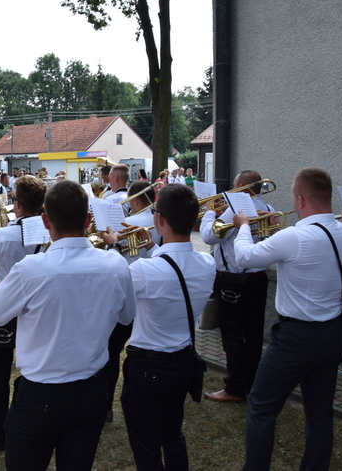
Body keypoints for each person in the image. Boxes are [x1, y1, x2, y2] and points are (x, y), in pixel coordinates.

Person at [0, 180, 135, 471]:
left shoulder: (30, 269)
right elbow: (126, 317)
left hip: (40, 395)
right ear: (88, 220)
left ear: (45, 220)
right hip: (91, 391)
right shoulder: (116, 265)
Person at [233, 167, 342, 470]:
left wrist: (244, 226)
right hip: (333, 334)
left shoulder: (294, 236)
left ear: (300, 200)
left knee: (261, 407)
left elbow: (244, 257)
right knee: (320, 414)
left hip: (295, 339)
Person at [102, 184, 215, 470]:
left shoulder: (144, 270)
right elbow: (172, 268)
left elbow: (115, 296)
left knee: (146, 446)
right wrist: (152, 246)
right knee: (172, 434)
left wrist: (114, 246)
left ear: (159, 219)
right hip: (184, 363)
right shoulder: (207, 262)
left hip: (148, 368)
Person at [0, 175, 47, 452]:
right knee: (36, 373)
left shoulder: (1, 235)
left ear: (18, 203)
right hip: (39, 312)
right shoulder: (51, 233)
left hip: (5, 311)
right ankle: (33, 425)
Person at [199, 170, 274, 403]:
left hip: (233, 279)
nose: (230, 189)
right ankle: (251, 382)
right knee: (253, 333)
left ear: (242, 187)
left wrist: (209, 212)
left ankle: (234, 387)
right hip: (258, 278)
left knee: (232, 334)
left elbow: (209, 237)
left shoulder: (234, 209)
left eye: (234, 185)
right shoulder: (268, 209)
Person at [101, 179, 161, 423]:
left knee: (112, 349)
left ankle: (106, 406)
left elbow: (112, 261)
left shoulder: (128, 223)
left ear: (135, 200)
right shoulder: (159, 222)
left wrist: (111, 244)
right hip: (152, 294)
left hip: (126, 293)